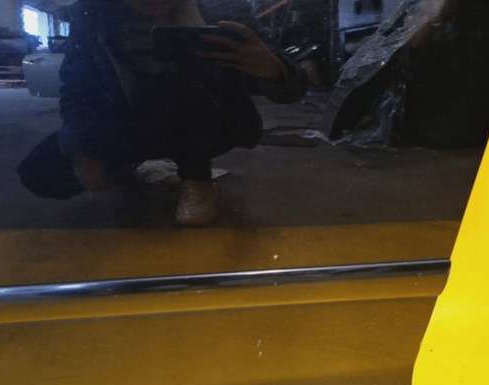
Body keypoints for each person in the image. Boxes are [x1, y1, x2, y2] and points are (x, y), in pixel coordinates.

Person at [58, 0, 307, 225]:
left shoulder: (225, 9)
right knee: (49, 175)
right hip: (128, 118)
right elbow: (76, 86)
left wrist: (272, 69)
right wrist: (82, 149)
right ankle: (125, 161)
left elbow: (294, 87)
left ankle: (197, 179)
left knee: (175, 84)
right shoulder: (92, 12)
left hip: (205, 122)